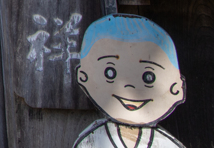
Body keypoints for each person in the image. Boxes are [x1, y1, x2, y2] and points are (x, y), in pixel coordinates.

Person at [74, 14, 187, 148]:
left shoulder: (166, 145)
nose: (130, 86)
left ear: (176, 88)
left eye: (148, 77)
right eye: (110, 73)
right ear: (83, 76)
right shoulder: (91, 142)